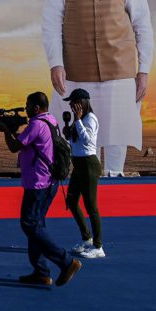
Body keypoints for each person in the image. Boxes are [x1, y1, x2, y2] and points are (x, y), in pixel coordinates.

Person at [42, 0, 154, 177]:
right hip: (76, 71)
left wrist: (144, 69)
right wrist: (55, 63)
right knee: (79, 133)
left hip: (120, 69)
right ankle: (85, 182)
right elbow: (50, 24)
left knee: (117, 132)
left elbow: (143, 24)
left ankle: (115, 177)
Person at [0, 91, 82, 287]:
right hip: (49, 182)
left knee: (29, 224)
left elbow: (14, 146)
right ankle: (41, 272)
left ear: (36, 108)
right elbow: (30, 142)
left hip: (39, 183)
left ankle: (66, 262)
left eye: (28, 105)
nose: (26, 109)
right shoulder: (50, 120)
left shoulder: (36, 124)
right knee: (37, 225)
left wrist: (5, 130)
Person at [61, 89, 104, 259]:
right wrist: (68, 131)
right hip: (78, 165)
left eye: (74, 102)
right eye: (71, 102)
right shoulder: (78, 119)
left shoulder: (90, 118)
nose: (71, 105)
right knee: (71, 201)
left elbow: (87, 140)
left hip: (88, 165)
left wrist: (77, 120)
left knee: (91, 207)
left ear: (82, 102)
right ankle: (86, 238)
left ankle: (98, 246)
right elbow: (76, 142)